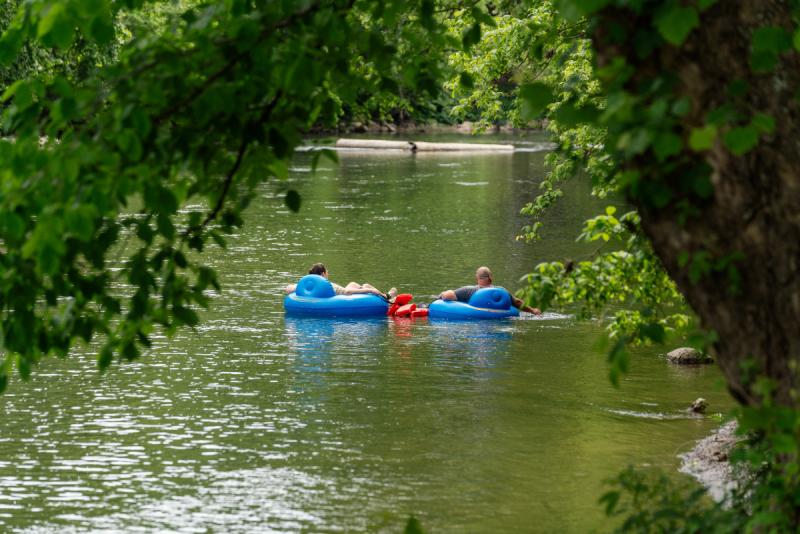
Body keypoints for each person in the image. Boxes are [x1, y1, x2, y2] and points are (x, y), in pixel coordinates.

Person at [438, 266, 542, 315]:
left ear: (477, 278)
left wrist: (442, 294)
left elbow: (448, 296)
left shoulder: (469, 291)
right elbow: (517, 302)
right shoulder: (501, 291)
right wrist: (533, 310)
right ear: (491, 277)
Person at [285, 263, 397, 300]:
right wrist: (371, 291)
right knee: (365, 285)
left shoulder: (311, 285)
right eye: (327, 271)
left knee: (353, 283)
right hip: (345, 292)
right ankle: (387, 296)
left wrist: (300, 284)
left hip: (344, 289)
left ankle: (386, 295)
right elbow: (347, 292)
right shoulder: (325, 285)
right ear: (323, 274)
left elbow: (288, 289)